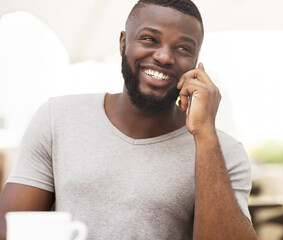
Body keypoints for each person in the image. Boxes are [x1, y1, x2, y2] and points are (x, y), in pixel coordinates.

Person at [0, 0, 257, 239]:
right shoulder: (57, 118)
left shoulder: (224, 153)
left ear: (196, 63)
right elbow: (12, 228)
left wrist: (204, 133)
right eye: (149, 39)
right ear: (123, 43)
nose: (164, 57)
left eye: (183, 48)